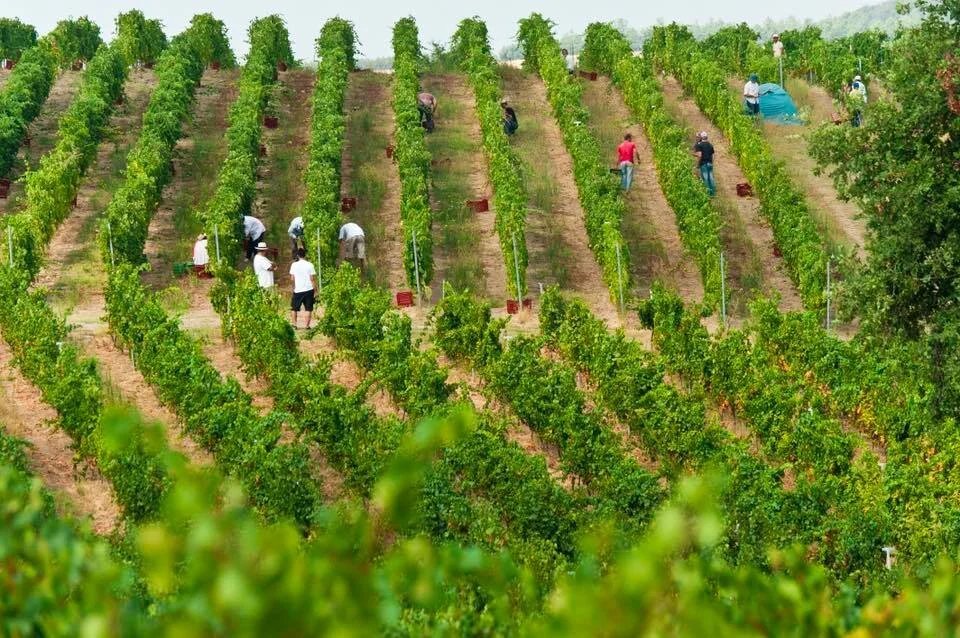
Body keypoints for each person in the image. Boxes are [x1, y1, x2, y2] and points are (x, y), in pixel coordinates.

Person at [289, 248, 317, 330]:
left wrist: (293, 288)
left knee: (294, 308)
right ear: (305, 255)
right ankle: (307, 326)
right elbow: (312, 279)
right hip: (309, 289)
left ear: (298, 255)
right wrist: (316, 291)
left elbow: (292, 279)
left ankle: (294, 325)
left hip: (298, 289)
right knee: (308, 308)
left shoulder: (294, 265)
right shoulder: (310, 265)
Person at [693, 131, 716, 197]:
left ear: (701, 137)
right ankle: (713, 193)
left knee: (705, 178)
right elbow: (713, 155)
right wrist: (711, 162)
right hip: (710, 163)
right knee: (711, 178)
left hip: (703, 164)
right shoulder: (710, 145)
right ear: (707, 137)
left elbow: (700, 155)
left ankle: (708, 193)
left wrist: (698, 164)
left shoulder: (699, 145)